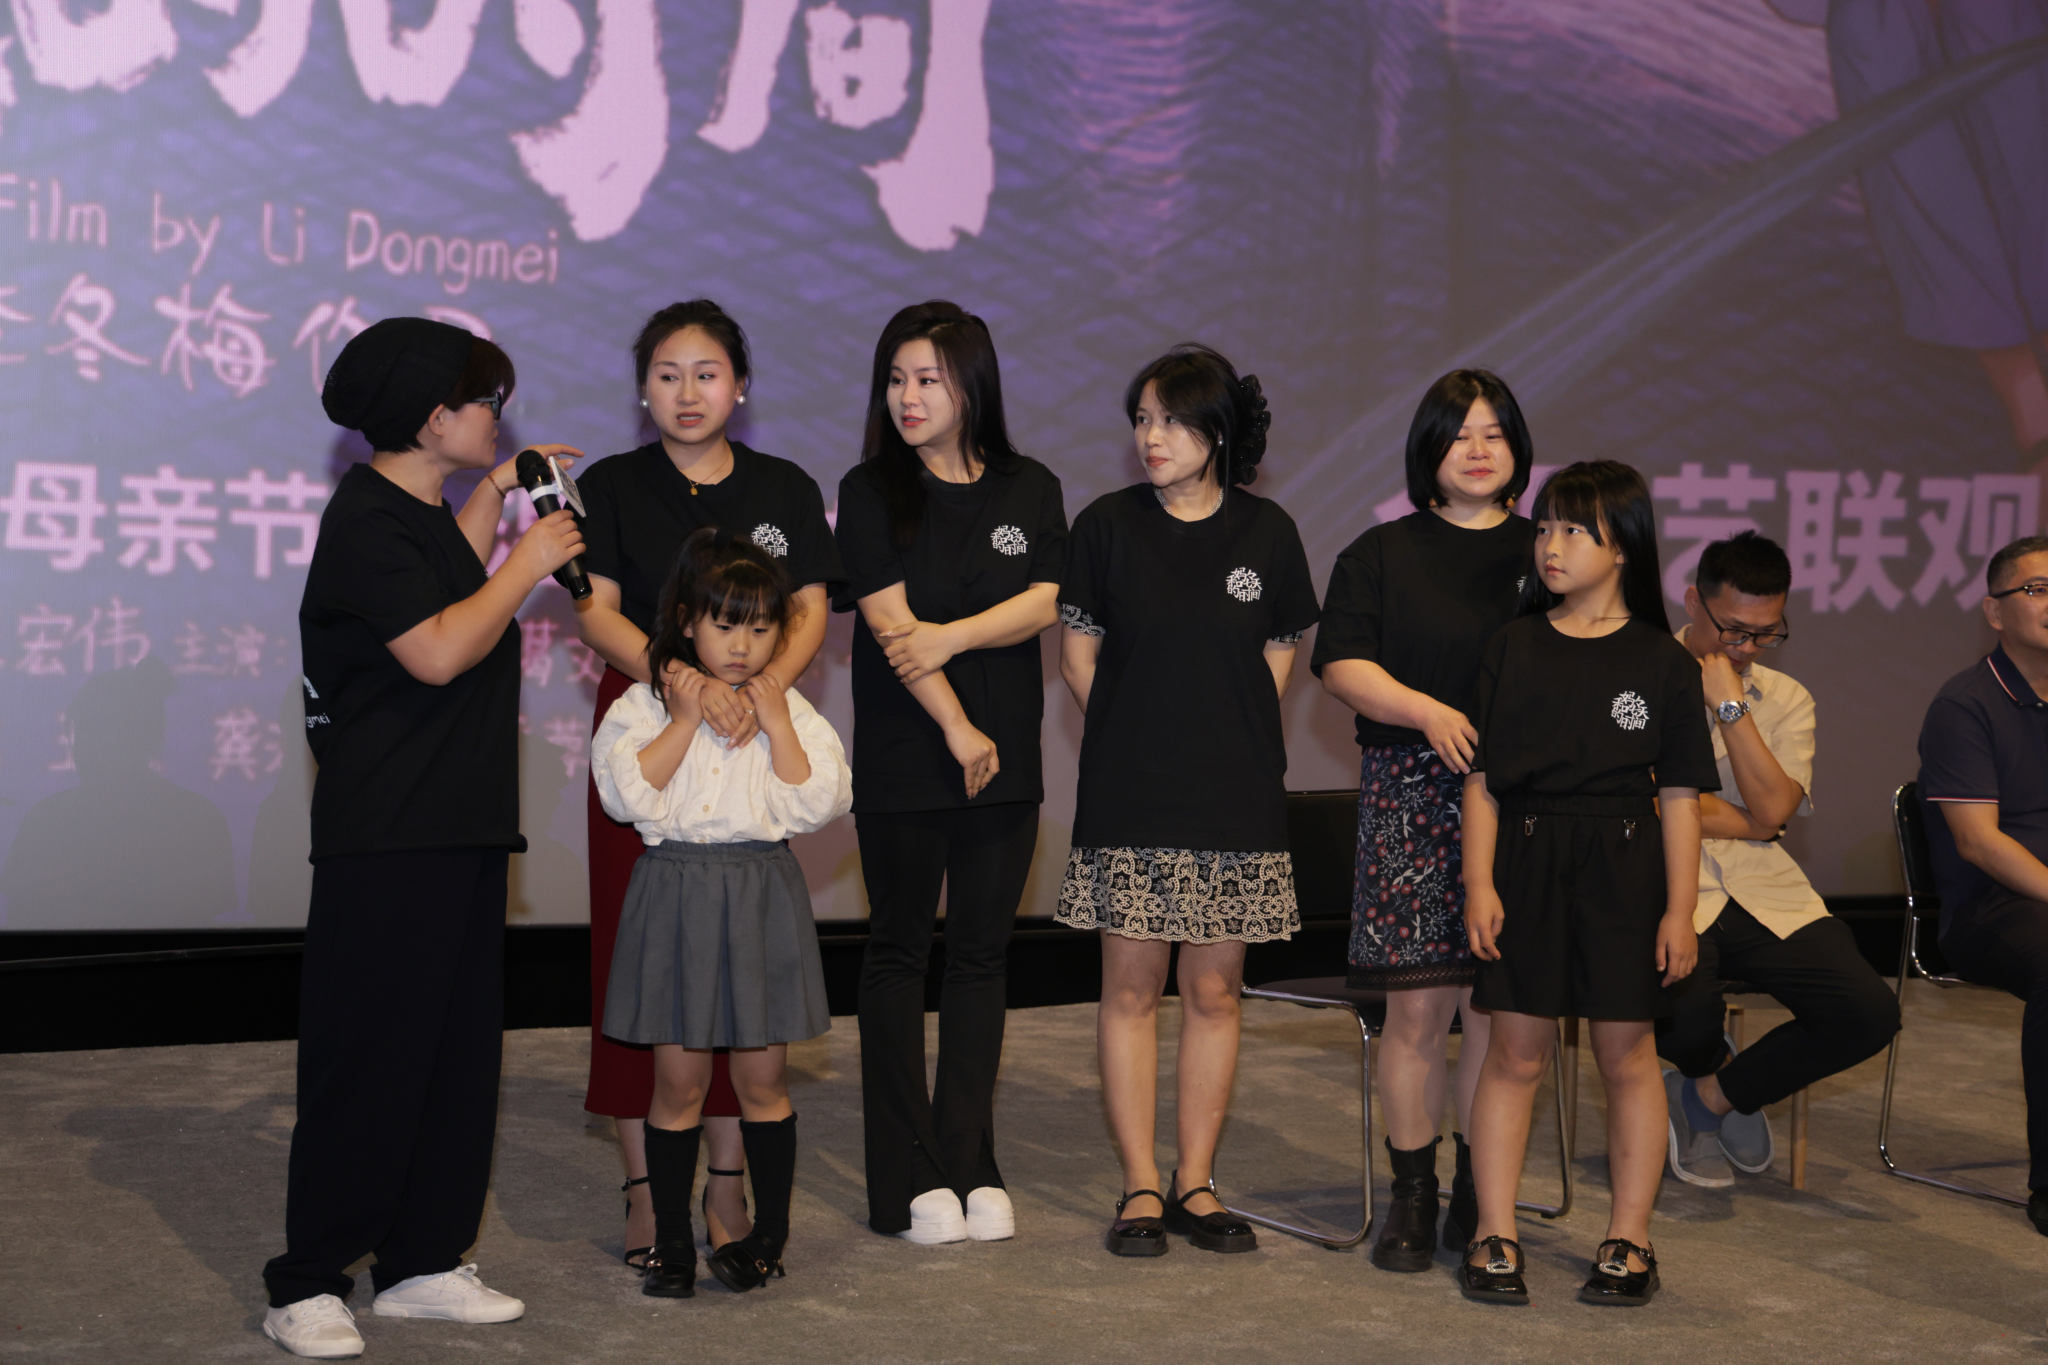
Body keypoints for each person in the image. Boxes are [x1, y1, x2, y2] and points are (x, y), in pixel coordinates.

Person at [261, 318, 587, 1358]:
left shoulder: (419, 513)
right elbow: (440, 648)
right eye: (486, 401)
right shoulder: (362, 520)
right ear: (433, 416)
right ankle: (308, 1280)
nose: (498, 416)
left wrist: (494, 494)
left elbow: (449, 575)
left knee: (452, 1058)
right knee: (369, 1059)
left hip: (459, 821)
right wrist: (530, 560)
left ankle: (420, 1262)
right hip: (388, 830)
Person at [572, 301, 842, 1269]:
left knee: (741, 976)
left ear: (741, 386)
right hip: (654, 717)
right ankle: (646, 1192)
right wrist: (682, 683)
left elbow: (808, 607)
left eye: (708, 372)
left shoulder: (784, 485)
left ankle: (729, 1187)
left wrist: (760, 692)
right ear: (642, 389)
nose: (687, 392)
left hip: (755, 717)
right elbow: (596, 611)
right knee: (644, 966)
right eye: (667, 374)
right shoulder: (612, 484)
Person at [1055, 344, 1319, 1258]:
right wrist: (1142, 733)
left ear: (1219, 430)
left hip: (1234, 796)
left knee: (1213, 992)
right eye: (1141, 418)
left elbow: (1278, 659)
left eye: (1169, 419)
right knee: (1131, 990)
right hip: (1131, 791)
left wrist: (1221, 738)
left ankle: (1195, 1180)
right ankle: (1139, 1182)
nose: (1150, 436)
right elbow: (1078, 659)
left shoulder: (1268, 533)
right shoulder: (1105, 525)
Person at [1457, 460, 1719, 1309]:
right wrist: (1478, 882)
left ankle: (1629, 1236)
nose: (1551, 544)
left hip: (1625, 866)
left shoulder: (1663, 659)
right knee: (1514, 1052)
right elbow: (1484, 781)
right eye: (1544, 527)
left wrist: (1679, 909)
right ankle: (1494, 1230)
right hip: (1527, 859)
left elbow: (1680, 797)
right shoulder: (1512, 645)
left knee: (1627, 1055)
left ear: (1624, 545)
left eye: (1574, 529)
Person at [834, 302, 1067, 1243]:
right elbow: (893, 629)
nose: (908, 396)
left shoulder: (1030, 486)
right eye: (896, 379)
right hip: (909, 755)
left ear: (971, 384)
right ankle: (907, 1170)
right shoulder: (867, 489)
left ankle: (970, 1156)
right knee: (898, 952)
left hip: (1005, 759)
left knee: (980, 956)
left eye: (927, 378)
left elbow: (1045, 601)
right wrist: (959, 726)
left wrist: (957, 637)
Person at [1312, 369, 1535, 1270]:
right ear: (1427, 450)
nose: (1477, 450)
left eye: (1494, 432)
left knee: (1495, 1010)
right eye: (1459, 433)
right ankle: (1414, 1192)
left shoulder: (1551, 551)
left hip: (1523, 804)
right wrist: (1426, 711)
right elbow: (1341, 663)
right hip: (1411, 791)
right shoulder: (1381, 552)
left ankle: (1484, 1189)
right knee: (1416, 1012)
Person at [593, 529, 852, 1298]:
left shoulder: (791, 709)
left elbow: (818, 801)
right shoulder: (644, 703)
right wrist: (683, 717)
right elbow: (626, 795)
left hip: (760, 893)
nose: (742, 645)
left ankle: (765, 1237)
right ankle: (673, 1239)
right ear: (686, 622)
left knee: (762, 1080)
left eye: (761, 627)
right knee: (677, 1084)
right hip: (675, 891)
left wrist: (776, 721)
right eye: (725, 624)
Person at [1658, 531, 1899, 1187]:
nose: (1746, 647)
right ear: (1693, 601)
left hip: (1764, 890)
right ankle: (1707, 1064)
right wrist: (1750, 821)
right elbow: (1637, 800)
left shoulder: (1787, 698)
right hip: (1664, 887)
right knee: (1683, 1018)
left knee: (1869, 1012)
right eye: (1733, 629)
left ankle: (1712, 1096)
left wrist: (1730, 706)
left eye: (1765, 634)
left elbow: (1773, 808)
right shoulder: (1638, 678)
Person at [1917, 534, 2048, 1234]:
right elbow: (1979, 841)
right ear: (1995, 611)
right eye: (2038, 589)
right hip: (1990, 907)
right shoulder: (1965, 704)